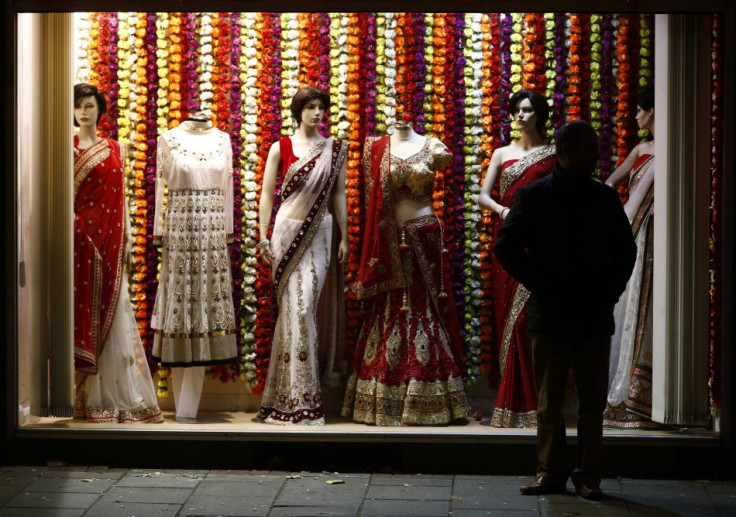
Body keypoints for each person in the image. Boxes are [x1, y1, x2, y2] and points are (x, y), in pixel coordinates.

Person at [494, 120, 636, 499]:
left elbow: (625, 251)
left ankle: (588, 474)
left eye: (595, 147)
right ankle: (550, 472)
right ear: (565, 151)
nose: (596, 155)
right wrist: (540, 282)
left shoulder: (603, 198)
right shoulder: (535, 196)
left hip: (591, 310)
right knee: (549, 400)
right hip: (551, 310)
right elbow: (505, 246)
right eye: (588, 148)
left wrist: (609, 291)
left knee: (592, 402)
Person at [341, 121, 471, 426]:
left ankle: (428, 395)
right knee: (389, 307)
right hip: (388, 242)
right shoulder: (375, 147)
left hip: (423, 236)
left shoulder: (433, 146)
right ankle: (384, 398)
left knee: (422, 307)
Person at [254, 86, 348, 425]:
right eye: (310, 107)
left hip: (321, 233)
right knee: (292, 310)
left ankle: (302, 397)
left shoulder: (334, 149)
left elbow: (339, 195)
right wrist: (263, 236)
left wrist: (345, 237)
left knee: (305, 306)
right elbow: (266, 194)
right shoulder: (282, 147)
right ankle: (287, 399)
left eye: (321, 107)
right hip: (286, 232)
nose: (317, 113)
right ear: (298, 111)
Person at [73, 83, 163, 423]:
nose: (84, 112)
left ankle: (112, 397)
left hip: (110, 243)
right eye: (79, 106)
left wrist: (127, 239)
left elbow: (120, 199)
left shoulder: (115, 148)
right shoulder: (67, 148)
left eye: (90, 106)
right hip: (80, 243)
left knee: (115, 312)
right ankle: (86, 395)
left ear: (100, 110)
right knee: (82, 310)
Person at [151, 109, 238, 423]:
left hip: (213, 232)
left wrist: (227, 230)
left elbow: (227, 190)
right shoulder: (169, 139)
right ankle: (183, 411)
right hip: (180, 230)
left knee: (204, 307)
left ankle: (190, 410)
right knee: (181, 309)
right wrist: (159, 232)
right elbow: (162, 188)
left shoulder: (222, 140)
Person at [479, 90, 556, 428]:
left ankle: (535, 403)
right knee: (507, 320)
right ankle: (510, 405)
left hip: (539, 244)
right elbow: (483, 195)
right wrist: (503, 210)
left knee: (531, 321)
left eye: (527, 110)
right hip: (508, 243)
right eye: (516, 110)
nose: (520, 116)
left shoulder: (553, 154)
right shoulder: (501, 153)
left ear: (540, 115)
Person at [603, 86, 659, 429]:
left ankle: (651, 398)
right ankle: (627, 399)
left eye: (639, 110)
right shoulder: (642, 149)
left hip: (658, 237)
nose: (636, 117)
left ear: (652, 111)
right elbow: (610, 182)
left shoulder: (674, 147)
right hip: (637, 233)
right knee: (631, 303)